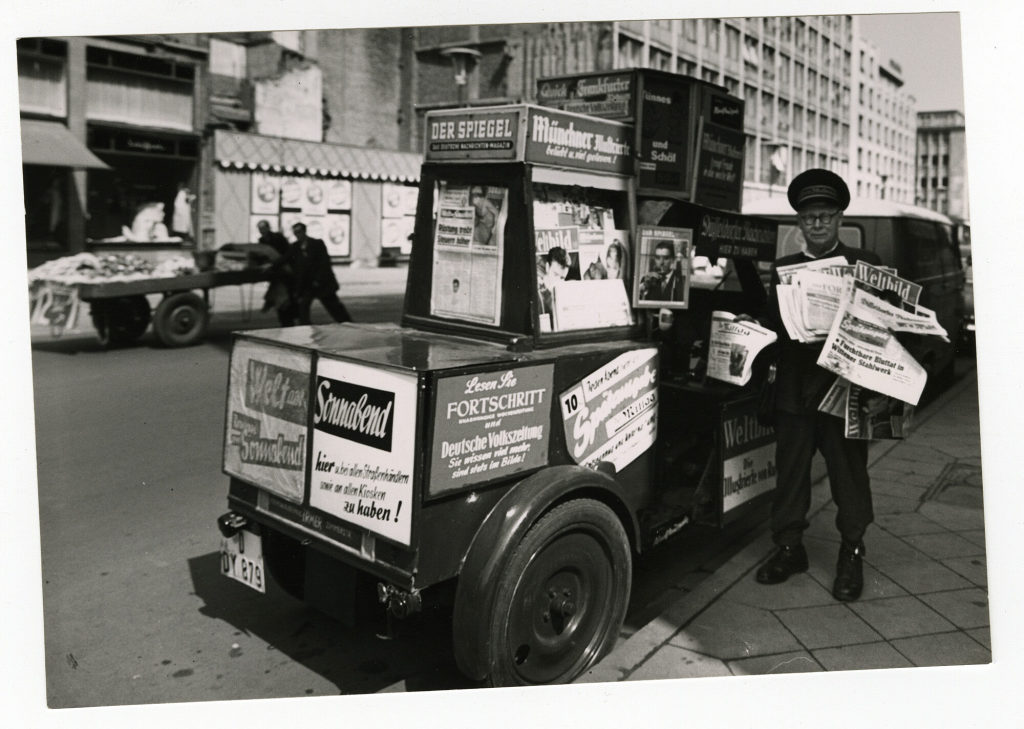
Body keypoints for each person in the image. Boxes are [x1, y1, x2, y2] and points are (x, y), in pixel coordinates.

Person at [753, 168, 882, 602]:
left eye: (826, 215)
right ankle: (790, 548)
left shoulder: (866, 266)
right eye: (810, 218)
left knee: (849, 475)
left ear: (840, 217)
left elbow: (885, 328)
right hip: (794, 390)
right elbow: (775, 326)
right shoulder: (783, 269)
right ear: (799, 224)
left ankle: (852, 550)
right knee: (790, 474)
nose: (819, 223)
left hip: (846, 390)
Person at [274, 222, 352, 326]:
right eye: (295, 233)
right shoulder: (295, 247)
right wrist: (271, 266)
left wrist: (318, 280)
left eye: (299, 232)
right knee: (303, 309)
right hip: (306, 284)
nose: (297, 235)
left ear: (304, 231)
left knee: (334, 307)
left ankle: (348, 324)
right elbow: (284, 259)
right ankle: (306, 329)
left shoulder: (317, 244)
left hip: (321, 283)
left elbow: (324, 263)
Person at [256, 220, 292, 319]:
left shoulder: (278, 237)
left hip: (283, 266)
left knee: (280, 285)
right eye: (260, 229)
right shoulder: (261, 240)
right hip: (273, 267)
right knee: (276, 284)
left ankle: (270, 302)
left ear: (268, 228)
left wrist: (274, 264)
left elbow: (286, 253)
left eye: (263, 228)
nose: (261, 231)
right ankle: (271, 302)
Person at [536, 246, 571, 317]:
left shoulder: (564, 296)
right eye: (555, 274)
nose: (558, 282)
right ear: (547, 267)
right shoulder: (537, 295)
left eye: (562, 278)